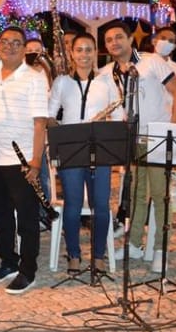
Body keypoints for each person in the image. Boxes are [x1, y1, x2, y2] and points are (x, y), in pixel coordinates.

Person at [101, 21, 176, 274]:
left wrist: (171, 130)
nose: (114, 43)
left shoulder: (151, 61)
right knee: (136, 194)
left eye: (119, 37)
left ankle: (160, 249)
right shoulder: (110, 72)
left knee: (160, 195)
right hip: (133, 139)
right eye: (108, 40)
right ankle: (134, 243)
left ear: (130, 39)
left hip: (157, 136)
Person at [48, 32, 122, 275]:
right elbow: (50, 115)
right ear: (72, 53)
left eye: (89, 49)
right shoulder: (61, 82)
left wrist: (106, 127)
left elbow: (119, 115)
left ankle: (98, 256)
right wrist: (61, 132)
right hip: (71, 150)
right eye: (79, 50)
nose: (84, 54)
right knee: (73, 204)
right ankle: (74, 255)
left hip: (100, 150)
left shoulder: (106, 82)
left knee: (101, 205)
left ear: (96, 52)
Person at [0, 26, 49, 295]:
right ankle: (8, 261)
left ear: (24, 49)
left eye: (16, 42)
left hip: (21, 161)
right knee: (1, 217)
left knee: (27, 219)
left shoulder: (35, 78)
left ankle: (28, 269)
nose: (9, 46)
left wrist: (36, 161)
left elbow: (40, 123)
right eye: (4, 41)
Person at [24, 38, 52, 207]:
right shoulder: (21, 73)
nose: (33, 54)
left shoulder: (48, 73)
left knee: (42, 174)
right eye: (29, 50)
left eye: (37, 50)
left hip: (42, 131)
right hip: (25, 130)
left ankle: (44, 210)